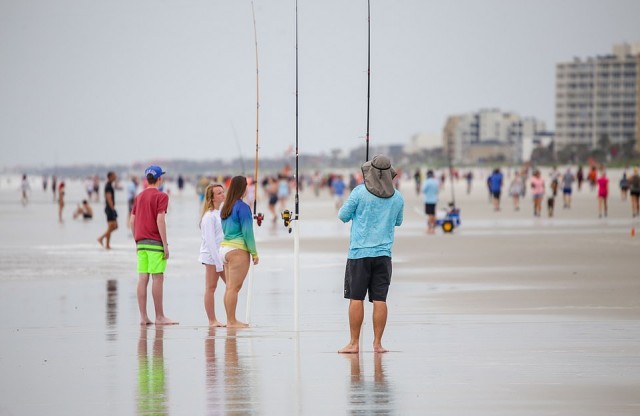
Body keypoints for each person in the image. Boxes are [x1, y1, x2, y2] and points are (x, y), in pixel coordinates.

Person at [337, 155, 404, 354]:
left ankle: (354, 343)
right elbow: (398, 222)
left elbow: (342, 215)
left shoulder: (359, 192)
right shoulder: (398, 197)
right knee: (380, 299)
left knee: (356, 298)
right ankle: (377, 344)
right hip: (384, 255)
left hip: (359, 253)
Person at [130, 165, 177, 325]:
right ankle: (159, 316)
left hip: (141, 243)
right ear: (159, 179)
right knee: (158, 277)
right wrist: (165, 244)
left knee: (143, 277)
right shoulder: (161, 196)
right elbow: (160, 220)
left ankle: (143, 317)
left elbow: (132, 220)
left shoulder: (139, 196)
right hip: (154, 242)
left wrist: (136, 239)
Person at [220, 176, 259, 328]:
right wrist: (254, 253)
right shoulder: (242, 207)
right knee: (233, 288)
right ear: (242, 189)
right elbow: (247, 232)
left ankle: (230, 319)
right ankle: (231, 321)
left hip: (224, 249)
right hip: (237, 250)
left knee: (230, 287)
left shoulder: (225, 206)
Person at [199, 184, 227, 327]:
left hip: (221, 256)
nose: (223, 194)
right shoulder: (209, 216)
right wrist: (217, 262)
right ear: (212, 197)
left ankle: (231, 317)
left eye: (223, 192)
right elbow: (210, 242)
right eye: (219, 193)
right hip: (211, 257)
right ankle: (212, 320)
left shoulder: (219, 213)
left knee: (231, 285)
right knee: (211, 288)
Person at [97, 171, 118, 249]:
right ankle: (102, 239)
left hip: (110, 208)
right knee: (113, 226)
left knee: (113, 226)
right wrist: (113, 209)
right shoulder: (108, 186)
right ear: (110, 177)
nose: (115, 177)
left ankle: (107, 244)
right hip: (109, 209)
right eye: (114, 176)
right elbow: (109, 198)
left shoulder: (110, 185)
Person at [421, 170, 439, 234]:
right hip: (434, 200)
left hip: (428, 200)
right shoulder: (435, 182)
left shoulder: (427, 182)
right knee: (433, 214)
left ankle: (429, 228)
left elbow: (423, 190)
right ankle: (433, 228)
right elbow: (437, 191)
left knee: (430, 215)